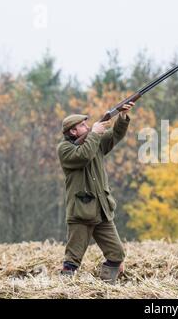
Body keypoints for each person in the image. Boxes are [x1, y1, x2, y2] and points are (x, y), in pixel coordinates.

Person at [56, 102, 134, 284]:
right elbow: (83, 156)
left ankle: (105, 289)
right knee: (72, 261)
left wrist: (122, 117)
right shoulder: (65, 149)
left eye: (86, 124)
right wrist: (94, 134)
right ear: (73, 132)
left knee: (117, 254)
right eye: (82, 125)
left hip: (101, 210)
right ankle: (63, 290)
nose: (87, 126)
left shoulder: (94, 140)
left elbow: (115, 135)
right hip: (81, 213)